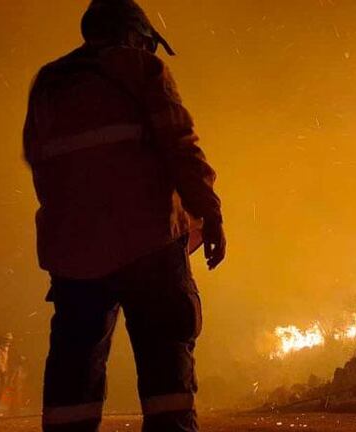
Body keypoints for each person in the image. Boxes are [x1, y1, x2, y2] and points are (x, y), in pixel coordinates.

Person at [23, 1, 225, 431]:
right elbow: (181, 146)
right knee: (165, 360)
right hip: (148, 242)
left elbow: (38, 159)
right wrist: (209, 213)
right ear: (135, 36)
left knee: (74, 365)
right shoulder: (141, 70)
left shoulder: (49, 82)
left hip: (73, 253)